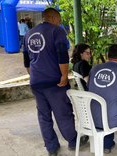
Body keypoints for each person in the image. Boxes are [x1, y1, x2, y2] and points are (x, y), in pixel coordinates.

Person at [23, 8, 88, 156]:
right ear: (52, 18)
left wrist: (34, 76)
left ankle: (51, 148)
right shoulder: (56, 31)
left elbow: (26, 61)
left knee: (43, 115)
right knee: (63, 112)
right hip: (55, 82)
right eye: (59, 19)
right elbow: (62, 56)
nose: (59, 22)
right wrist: (64, 76)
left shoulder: (28, 34)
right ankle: (73, 141)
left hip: (36, 82)